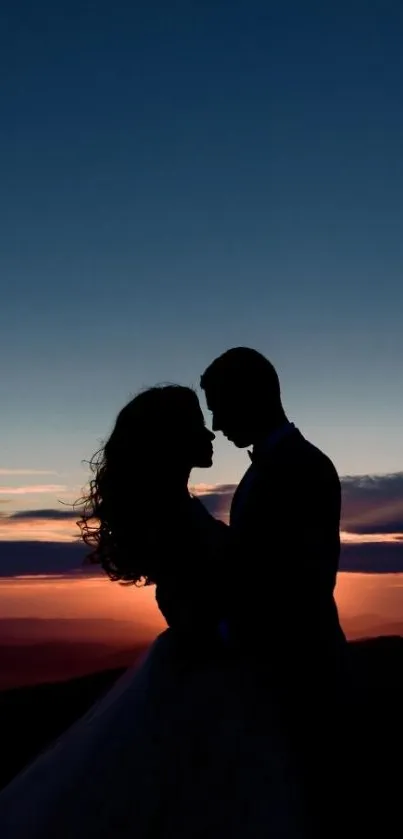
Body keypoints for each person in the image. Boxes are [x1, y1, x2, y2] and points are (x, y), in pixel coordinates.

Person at [0, 384, 305, 839]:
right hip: (207, 678)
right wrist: (234, 635)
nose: (211, 434)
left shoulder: (177, 508)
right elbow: (183, 605)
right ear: (172, 439)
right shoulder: (173, 517)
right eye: (197, 426)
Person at [200, 347, 350, 836]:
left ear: (252, 396)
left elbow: (304, 583)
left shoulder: (302, 467)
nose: (217, 424)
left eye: (220, 406)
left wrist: (228, 632)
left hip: (304, 672)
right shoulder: (269, 467)